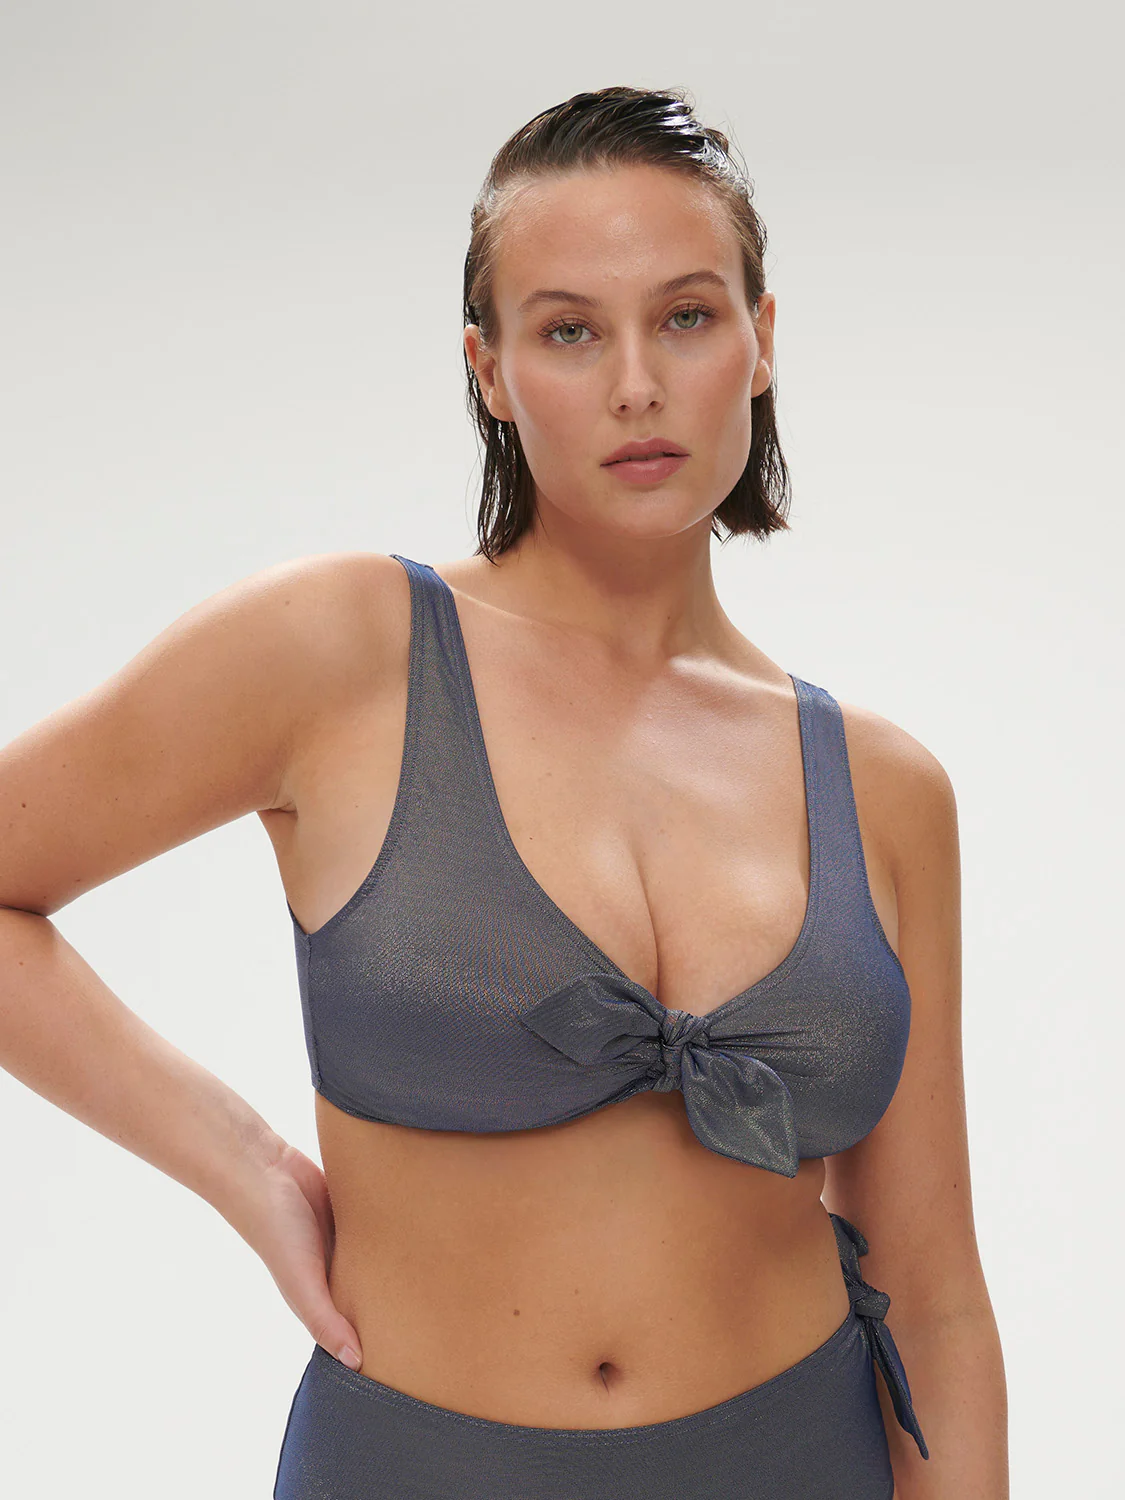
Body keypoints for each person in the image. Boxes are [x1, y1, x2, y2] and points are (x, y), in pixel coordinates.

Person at [0, 85, 1007, 1498]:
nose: (637, 385)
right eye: (570, 331)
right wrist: (245, 1164)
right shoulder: (340, 653)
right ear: (488, 368)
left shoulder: (885, 790)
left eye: (688, 316)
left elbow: (936, 1295)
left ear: (762, 339)